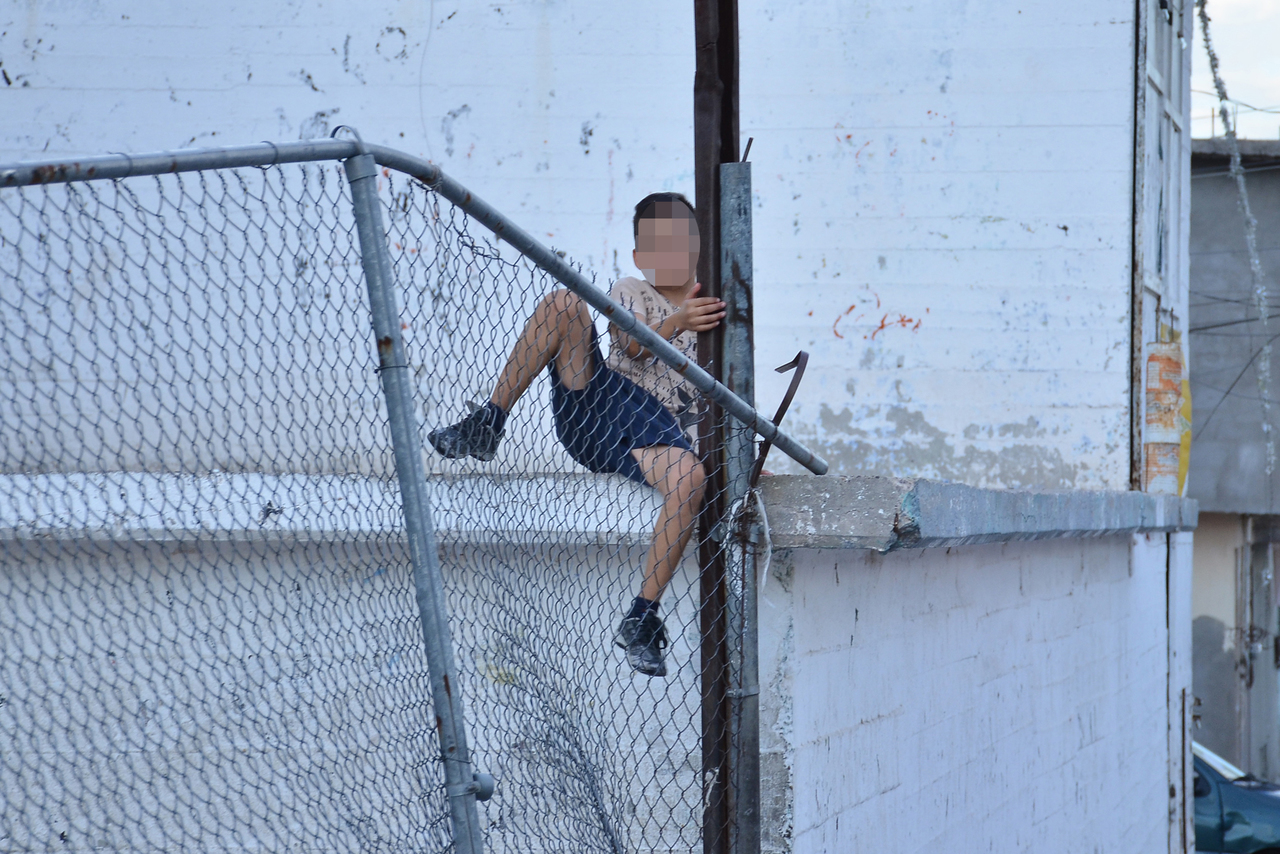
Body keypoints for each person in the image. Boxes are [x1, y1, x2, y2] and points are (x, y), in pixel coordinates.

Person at [427, 192, 722, 677]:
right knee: (565, 302)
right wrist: (677, 322)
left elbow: (721, 393)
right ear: (640, 256)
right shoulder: (632, 289)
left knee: (690, 478)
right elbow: (632, 343)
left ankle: (642, 617)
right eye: (657, 244)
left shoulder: (713, 305)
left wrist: (740, 452)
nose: (670, 251)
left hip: (658, 438)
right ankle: (489, 422)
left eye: (680, 239)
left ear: (697, 244)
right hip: (604, 407)